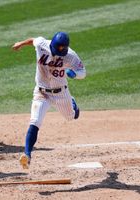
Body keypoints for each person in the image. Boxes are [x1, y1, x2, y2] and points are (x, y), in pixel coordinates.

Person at [12, 32, 86, 169]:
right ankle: (27, 155)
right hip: (41, 92)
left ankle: (72, 102)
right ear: (52, 44)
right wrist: (21, 43)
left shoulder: (71, 55)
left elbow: (83, 72)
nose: (60, 53)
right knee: (35, 122)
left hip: (61, 93)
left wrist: (75, 74)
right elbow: (33, 40)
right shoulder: (42, 44)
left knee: (71, 117)